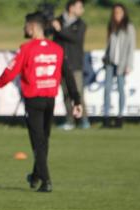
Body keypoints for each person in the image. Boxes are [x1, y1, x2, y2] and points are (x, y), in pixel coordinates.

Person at [0, 12, 83, 193]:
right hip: (50, 100)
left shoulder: (26, 49)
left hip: (34, 101)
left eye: (25, 26)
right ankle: (36, 176)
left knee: (38, 142)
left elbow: (10, 72)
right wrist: (76, 100)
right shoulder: (57, 48)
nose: (23, 29)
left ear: (32, 28)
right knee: (44, 140)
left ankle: (46, 181)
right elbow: (68, 75)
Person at [52, 0, 89, 130]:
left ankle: (84, 120)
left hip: (75, 64)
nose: (82, 9)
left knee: (77, 93)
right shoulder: (57, 20)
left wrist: (60, 29)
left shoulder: (81, 24)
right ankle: (70, 120)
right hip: (61, 63)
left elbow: (75, 38)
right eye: (80, 7)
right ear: (71, 8)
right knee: (66, 93)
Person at [102, 3, 136, 128]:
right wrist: (105, 56)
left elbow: (131, 47)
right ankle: (106, 116)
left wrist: (129, 64)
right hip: (110, 62)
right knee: (107, 89)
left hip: (122, 63)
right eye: (115, 12)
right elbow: (109, 44)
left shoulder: (129, 27)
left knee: (121, 89)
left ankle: (120, 117)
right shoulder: (112, 26)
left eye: (120, 12)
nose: (117, 15)